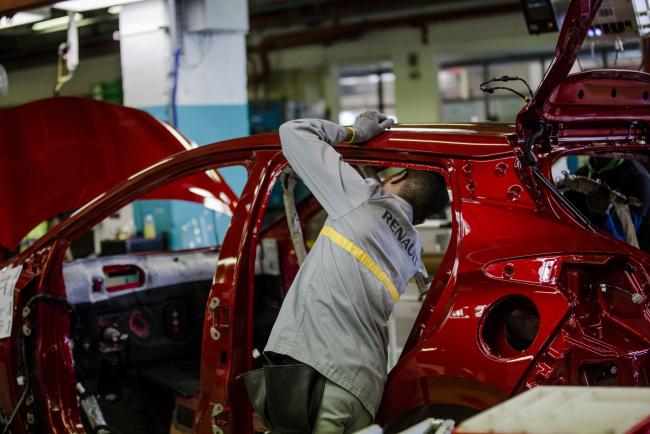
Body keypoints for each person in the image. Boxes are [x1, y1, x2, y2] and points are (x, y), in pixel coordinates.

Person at [259, 111, 449, 433]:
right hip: (364, 394)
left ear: (399, 177)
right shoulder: (411, 251)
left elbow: (293, 132)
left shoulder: (363, 200)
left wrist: (353, 134)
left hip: (319, 379)